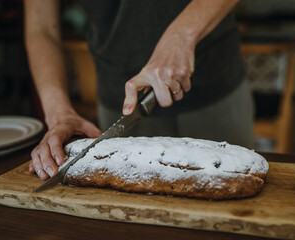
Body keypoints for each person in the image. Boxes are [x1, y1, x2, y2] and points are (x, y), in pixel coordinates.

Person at [24, 0, 254, 181]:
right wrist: (58, 113)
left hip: (215, 88)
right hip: (119, 103)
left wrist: (183, 34)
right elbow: (41, 26)